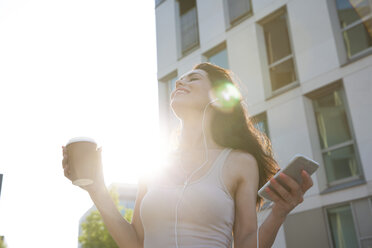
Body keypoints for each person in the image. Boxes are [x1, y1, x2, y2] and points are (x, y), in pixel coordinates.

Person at [62, 62, 314, 248]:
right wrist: (97, 190)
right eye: (179, 80)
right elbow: (136, 243)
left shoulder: (239, 162)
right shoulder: (154, 167)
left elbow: (247, 240)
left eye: (193, 79)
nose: (179, 83)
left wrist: (279, 211)